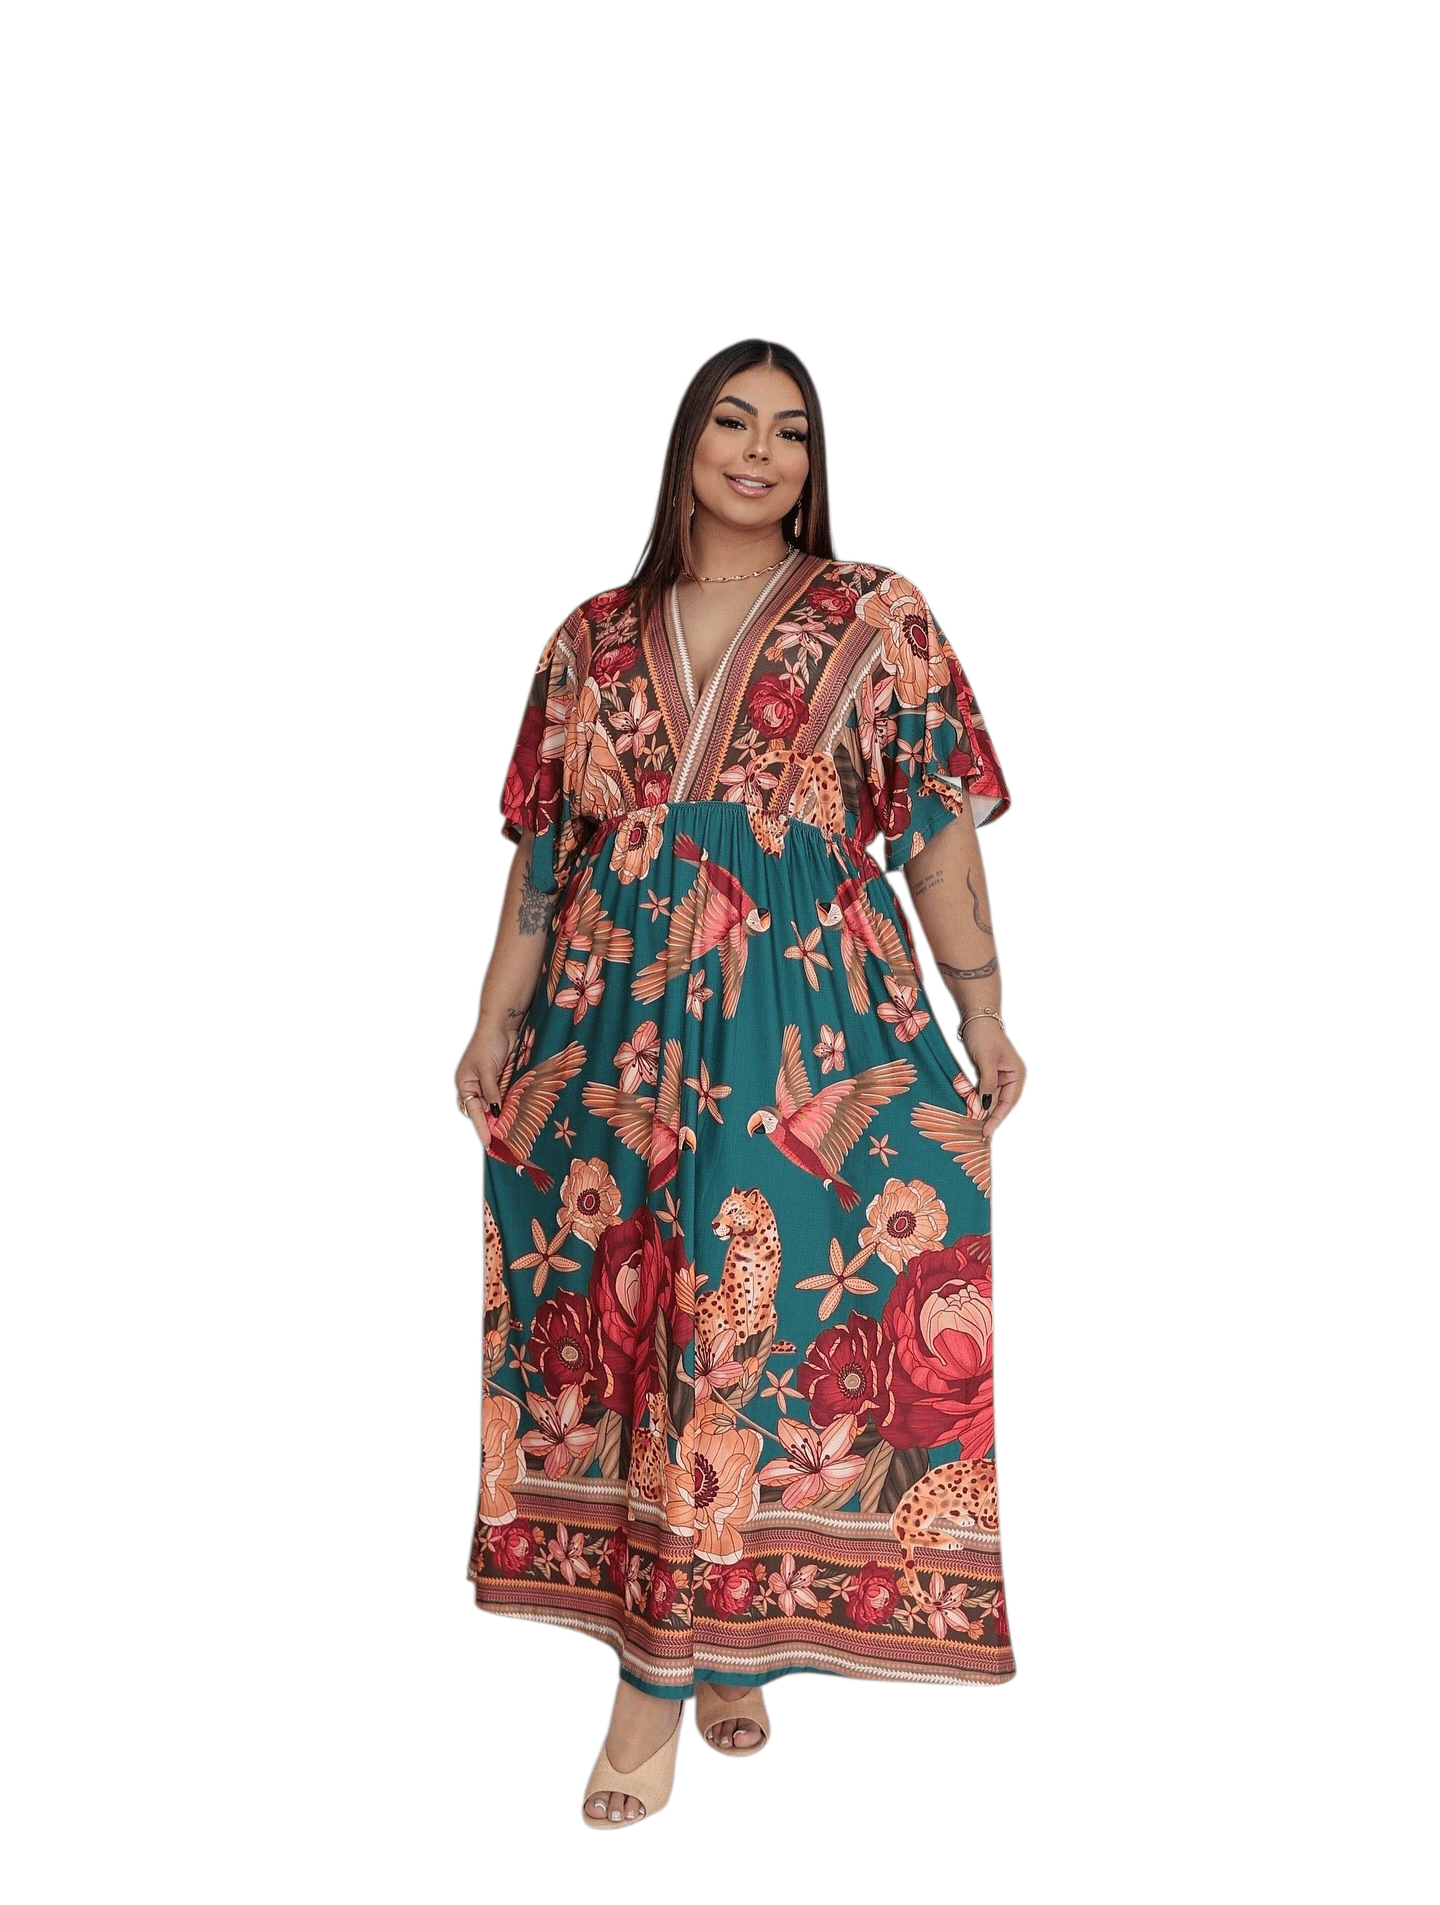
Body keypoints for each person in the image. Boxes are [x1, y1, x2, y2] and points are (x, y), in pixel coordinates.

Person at [455, 339, 1026, 1829]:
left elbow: (939, 829)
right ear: (687, 442)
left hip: (804, 1025)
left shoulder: (876, 614)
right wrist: (495, 1019)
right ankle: (705, 1646)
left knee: (760, 1318)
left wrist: (983, 1009)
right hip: (614, 1030)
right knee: (636, 1318)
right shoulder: (590, 638)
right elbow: (546, 856)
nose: (761, 452)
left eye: (792, 431)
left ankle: (680, 1670)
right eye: (733, 421)